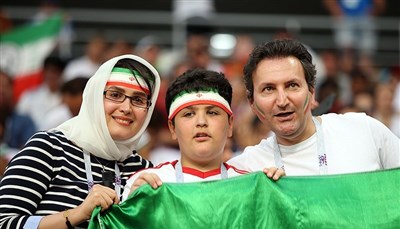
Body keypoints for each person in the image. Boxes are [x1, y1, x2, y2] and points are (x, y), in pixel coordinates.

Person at [0, 54, 161, 229]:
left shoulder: (146, 172)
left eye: (139, 100)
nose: (126, 108)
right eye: (115, 94)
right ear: (94, 96)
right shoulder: (48, 147)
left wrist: (144, 212)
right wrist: (77, 214)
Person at [227, 39, 400, 175]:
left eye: (292, 85)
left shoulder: (364, 131)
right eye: (268, 89)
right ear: (253, 104)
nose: (282, 100)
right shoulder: (247, 170)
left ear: (311, 93)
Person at [122, 68, 248, 199]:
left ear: (230, 124)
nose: (201, 122)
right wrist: (134, 206)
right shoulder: (146, 183)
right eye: (189, 114)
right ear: (172, 128)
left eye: (212, 113)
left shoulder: (248, 186)